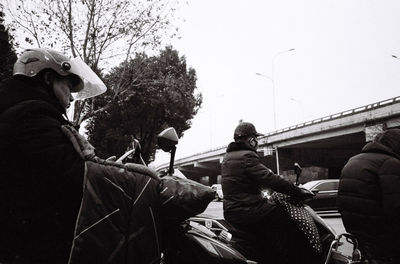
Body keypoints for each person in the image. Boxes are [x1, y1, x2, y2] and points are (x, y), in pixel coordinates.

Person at [0, 48, 162, 263]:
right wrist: (126, 179)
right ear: (48, 79)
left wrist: (98, 167)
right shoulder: (30, 117)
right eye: (68, 86)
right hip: (30, 245)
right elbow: (73, 178)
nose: (71, 98)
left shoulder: (21, 111)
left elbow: (48, 173)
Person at [221, 121, 318, 264]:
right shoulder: (247, 156)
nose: (257, 142)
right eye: (256, 139)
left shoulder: (228, 157)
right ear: (251, 140)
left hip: (233, 210)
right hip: (247, 210)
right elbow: (271, 179)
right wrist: (298, 192)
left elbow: (246, 182)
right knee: (284, 222)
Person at [337, 128, 400, 264]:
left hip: (358, 235)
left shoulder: (352, 161)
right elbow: (395, 208)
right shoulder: (391, 163)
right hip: (384, 239)